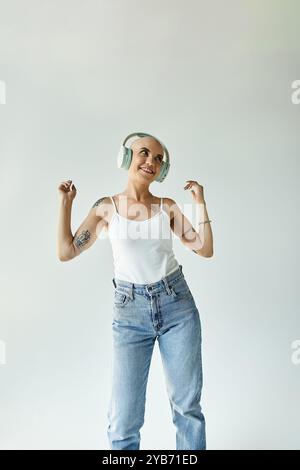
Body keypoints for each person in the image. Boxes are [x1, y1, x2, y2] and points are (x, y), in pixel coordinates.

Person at [57, 132, 214, 450]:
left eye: (159, 159)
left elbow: (205, 248)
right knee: (124, 419)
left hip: (177, 306)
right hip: (130, 312)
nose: (151, 162)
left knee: (187, 409)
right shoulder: (106, 207)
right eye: (144, 153)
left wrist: (199, 202)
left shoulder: (167, 207)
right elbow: (67, 251)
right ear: (126, 157)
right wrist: (66, 204)